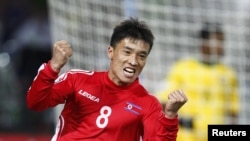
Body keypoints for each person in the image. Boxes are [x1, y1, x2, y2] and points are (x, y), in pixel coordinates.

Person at [26, 17, 188, 141]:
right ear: (110, 52)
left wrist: (171, 115)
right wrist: (53, 67)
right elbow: (35, 103)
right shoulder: (77, 79)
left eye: (141, 56)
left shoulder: (148, 103)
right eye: (127, 52)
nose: (133, 61)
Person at [156, 23, 239, 141]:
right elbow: (163, 102)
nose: (221, 46)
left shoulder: (228, 74)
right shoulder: (183, 68)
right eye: (217, 41)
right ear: (204, 42)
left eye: (222, 41)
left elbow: (233, 113)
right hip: (185, 137)